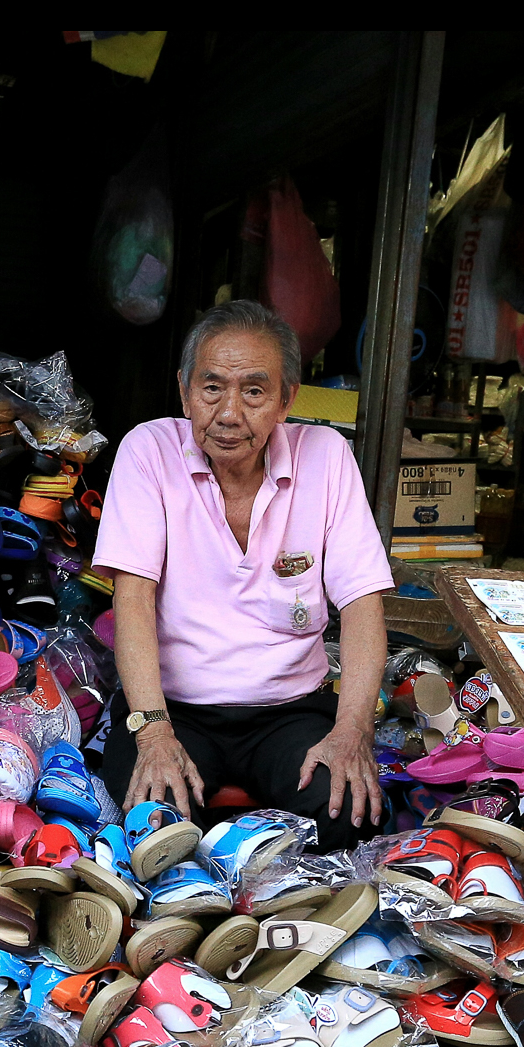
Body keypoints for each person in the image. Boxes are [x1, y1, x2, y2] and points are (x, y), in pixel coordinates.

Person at [93, 299, 394, 852]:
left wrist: (352, 731)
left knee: (349, 813)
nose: (229, 413)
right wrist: (154, 731)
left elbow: (362, 603)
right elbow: (132, 598)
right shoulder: (149, 450)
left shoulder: (325, 456)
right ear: (185, 390)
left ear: (286, 399)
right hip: (174, 710)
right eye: (212, 388)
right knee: (153, 822)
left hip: (289, 712)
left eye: (254, 391)